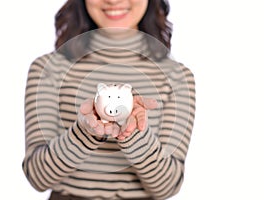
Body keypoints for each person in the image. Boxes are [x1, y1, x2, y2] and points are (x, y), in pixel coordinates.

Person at [22, 0, 196, 199]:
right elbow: (37, 177)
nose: (114, 0)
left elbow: (167, 187)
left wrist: (133, 133)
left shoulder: (176, 77)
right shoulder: (48, 69)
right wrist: (84, 132)